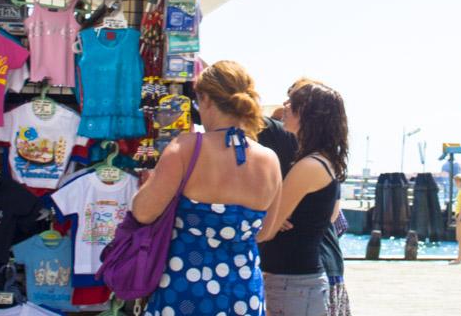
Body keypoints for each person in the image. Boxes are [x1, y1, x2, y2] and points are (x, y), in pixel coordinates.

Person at [134, 60, 282, 316]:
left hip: (184, 287)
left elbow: (143, 213)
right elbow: (265, 232)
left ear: (206, 100)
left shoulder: (186, 148)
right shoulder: (270, 160)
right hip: (242, 291)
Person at [259, 83, 349, 316]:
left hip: (292, 283)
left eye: (291, 103)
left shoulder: (308, 166)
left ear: (308, 114)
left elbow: (266, 229)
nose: (285, 106)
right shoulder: (320, 160)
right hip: (297, 282)